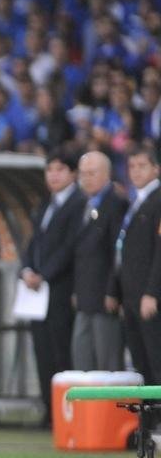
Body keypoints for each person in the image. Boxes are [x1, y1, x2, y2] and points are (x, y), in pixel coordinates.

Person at [21, 149, 83, 426]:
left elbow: (69, 248)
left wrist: (44, 274)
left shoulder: (79, 203)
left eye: (60, 169)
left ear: (72, 173)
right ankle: (49, 410)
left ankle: (65, 412)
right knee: (42, 351)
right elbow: (33, 243)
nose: (54, 175)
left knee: (61, 352)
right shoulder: (46, 205)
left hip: (60, 289)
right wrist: (26, 269)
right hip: (37, 292)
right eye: (50, 170)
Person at [108, 145, 161, 384]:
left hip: (148, 296)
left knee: (155, 359)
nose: (136, 172)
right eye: (131, 167)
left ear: (156, 169)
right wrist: (116, 291)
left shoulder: (157, 201)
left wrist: (152, 292)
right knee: (140, 363)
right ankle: (149, 419)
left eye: (142, 166)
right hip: (131, 295)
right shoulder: (135, 201)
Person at [71, 151, 127, 371]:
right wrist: (77, 289)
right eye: (83, 173)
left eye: (92, 173)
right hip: (85, 294)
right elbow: (81, 252)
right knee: (82, 355)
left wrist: (113, 290)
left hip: (104, 296)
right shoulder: (83, 204)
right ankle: (87, 406)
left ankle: (110, 406)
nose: (86, 178)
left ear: (106, 174)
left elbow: (118, 251)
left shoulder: (116, 204)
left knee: (107, 360)